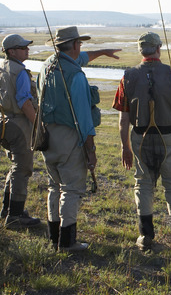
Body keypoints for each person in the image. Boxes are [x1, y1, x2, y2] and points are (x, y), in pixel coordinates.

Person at [38, 26, 120, 251]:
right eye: (79, 44)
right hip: (69, 137)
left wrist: (103, 52)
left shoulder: (47, 66)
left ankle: (54, 237)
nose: (81, 48)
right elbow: (84, 119)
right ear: (74, 45)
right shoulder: (75, 76)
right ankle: (67, 242)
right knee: (71, 189)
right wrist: (90, 151)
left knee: (54, 186)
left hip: (47, 135)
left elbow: (81, 58)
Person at [113, 31, 171, 251]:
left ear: (141, 50)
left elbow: (123, 117)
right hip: (170, 138)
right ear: (158, 48)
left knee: (144, 184)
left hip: (140, 137)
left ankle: (146, 236)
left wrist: (125, 147)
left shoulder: (127, 76)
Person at [0, 34, 41, 228]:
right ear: (11, 51)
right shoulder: (19, 71)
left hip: (1, 123)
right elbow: (24, 102)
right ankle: (15, 216)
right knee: (23, 168)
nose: (27, 50)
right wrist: (37, 126)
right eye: (22, 47)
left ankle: (8, 209)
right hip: (19, 125)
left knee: (15, 166)